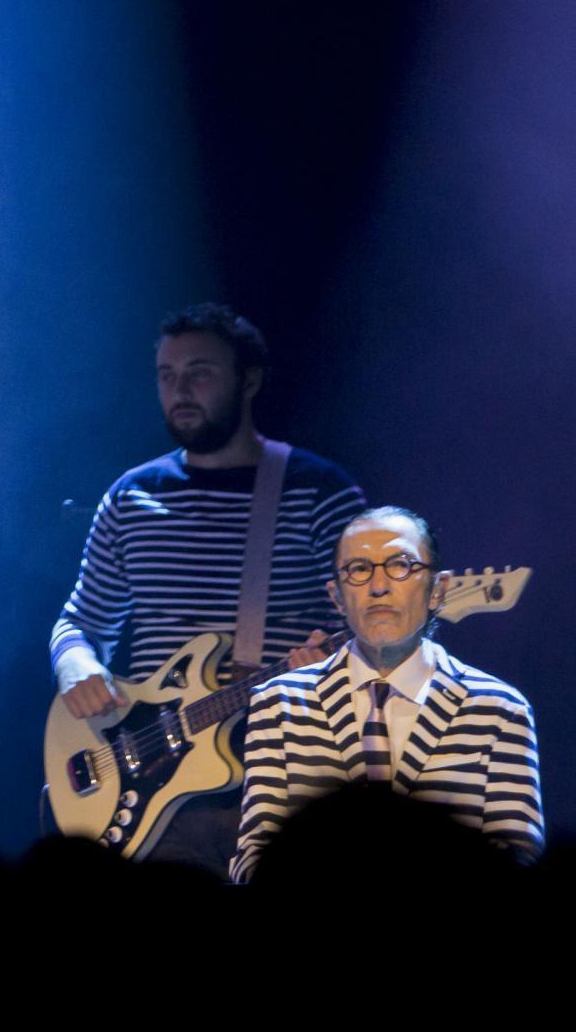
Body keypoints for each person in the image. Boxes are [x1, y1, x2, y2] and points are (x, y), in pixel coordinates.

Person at [49, 303, 363, 871]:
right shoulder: (131, 497)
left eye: (200, 372)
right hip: (153, 791)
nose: (180, 390)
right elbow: (80, 622)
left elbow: (376, 624)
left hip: (287, 777)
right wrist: (76, 664)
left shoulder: (319, 491)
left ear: (250, 380)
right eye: (167, 376)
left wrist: (323, 667)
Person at [231, 506, 543, 880]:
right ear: (337, 597)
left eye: (400, 565)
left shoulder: (498, 709)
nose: (378, 586)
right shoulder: (279, 703)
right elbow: (255, 856)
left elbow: (519, 856)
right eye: (359, 569)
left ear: (437, 589)